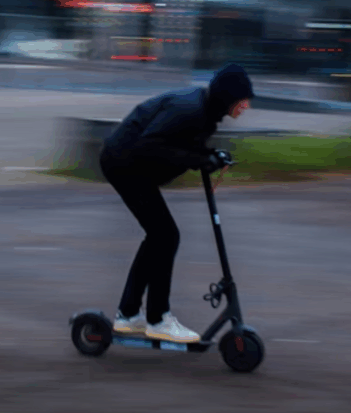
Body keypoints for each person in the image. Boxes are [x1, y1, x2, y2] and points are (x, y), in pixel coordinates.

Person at [98, 63, 254, 343]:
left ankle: (129, 313)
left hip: (131, 163)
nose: (246, 106)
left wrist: (209, 155)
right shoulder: (190, 109)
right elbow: (149, 144)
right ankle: (157, 319)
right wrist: (200, 159)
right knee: (165, 236)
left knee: (161, 236)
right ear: (227, 96)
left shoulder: (206, 113)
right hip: (123, 162)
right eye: (243, 100)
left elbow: (182, 145)